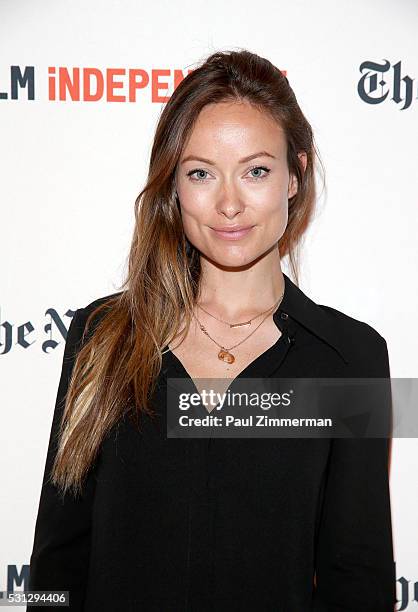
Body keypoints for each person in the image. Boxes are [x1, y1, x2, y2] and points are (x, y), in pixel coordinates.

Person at [27, 49, 396, 611]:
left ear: (295, 177)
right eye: (201, 173)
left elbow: (358, 579)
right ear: (174, 185)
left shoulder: (350, 357)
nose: (229, 204)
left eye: (256, 171)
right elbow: (55, 567)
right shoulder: (99, 338)